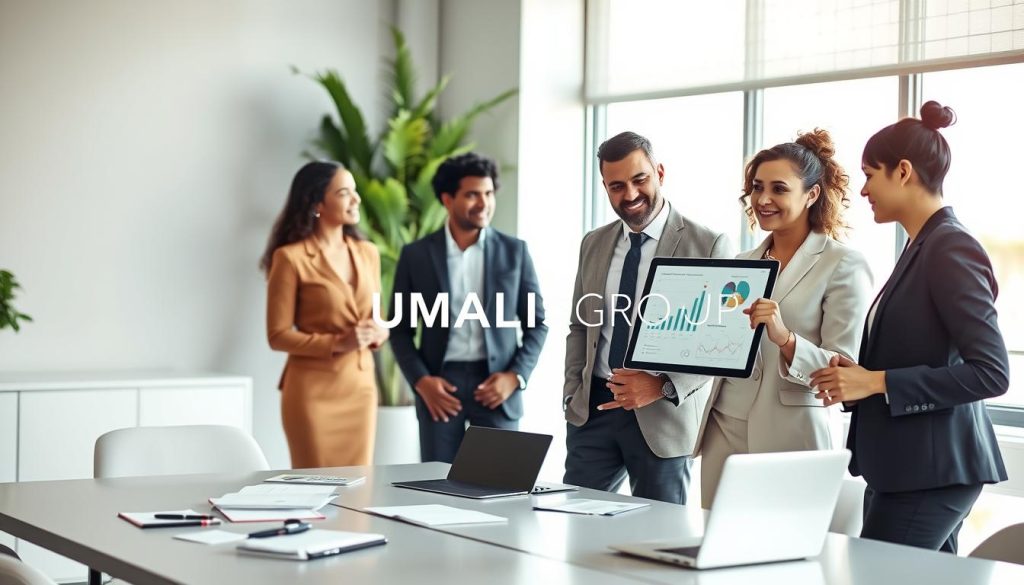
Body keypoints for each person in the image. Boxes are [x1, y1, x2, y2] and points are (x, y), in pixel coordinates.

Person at [810, 101, 1009, 553]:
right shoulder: (923, 246)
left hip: (930, 473)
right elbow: (921, 352)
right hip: (910, 469)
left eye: (869, 174)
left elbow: (991, 373)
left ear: (902, 171)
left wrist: (875, 381)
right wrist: (858, 376)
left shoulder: (950, 248)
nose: (862, 190)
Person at [692, 129, 873, 508]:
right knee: (719, 548)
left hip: (792, 435)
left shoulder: (843, 264)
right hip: (724, 429)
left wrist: (786, 338)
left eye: (778, 188)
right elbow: (715, 349)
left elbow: (842, 368)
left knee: (784, 552)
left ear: (811, 194)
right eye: (757, 188)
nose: (763, 199)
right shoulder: (740, 265)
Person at [563, 131, 732, 505]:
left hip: (661, 418)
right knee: (574, 525)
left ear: (659, 172)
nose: (631, 195)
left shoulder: (707, 245)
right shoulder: (594, 242)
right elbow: (580, 325)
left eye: (640, 180)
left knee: (660, 539)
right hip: (593, 414)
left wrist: (662, 386)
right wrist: (572, 394)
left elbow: (721, 344)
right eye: (617, 186)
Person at [389, 152, 548, 463]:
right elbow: (400, 329)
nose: (484, 203)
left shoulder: (515, 252)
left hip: (496, 385)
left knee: (499, 485)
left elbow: (536, 324)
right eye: (472, 194)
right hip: (440, 387)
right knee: (438, 487)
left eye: (488, 194)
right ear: (447, 200)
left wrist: (515, 376)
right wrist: (421, 382)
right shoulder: (416, 255)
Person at [262, 161, 388, 468]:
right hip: (312, 394)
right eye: (345, 193)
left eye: (354, 191)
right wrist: (336, 343)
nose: (356, 199)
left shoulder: (367, 252)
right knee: (315, 489)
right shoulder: (290, 258)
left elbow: (379, 318)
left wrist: (378, 332)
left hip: (360, 389)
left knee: (358, 487)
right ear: (317, 203)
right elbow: (278, 336)